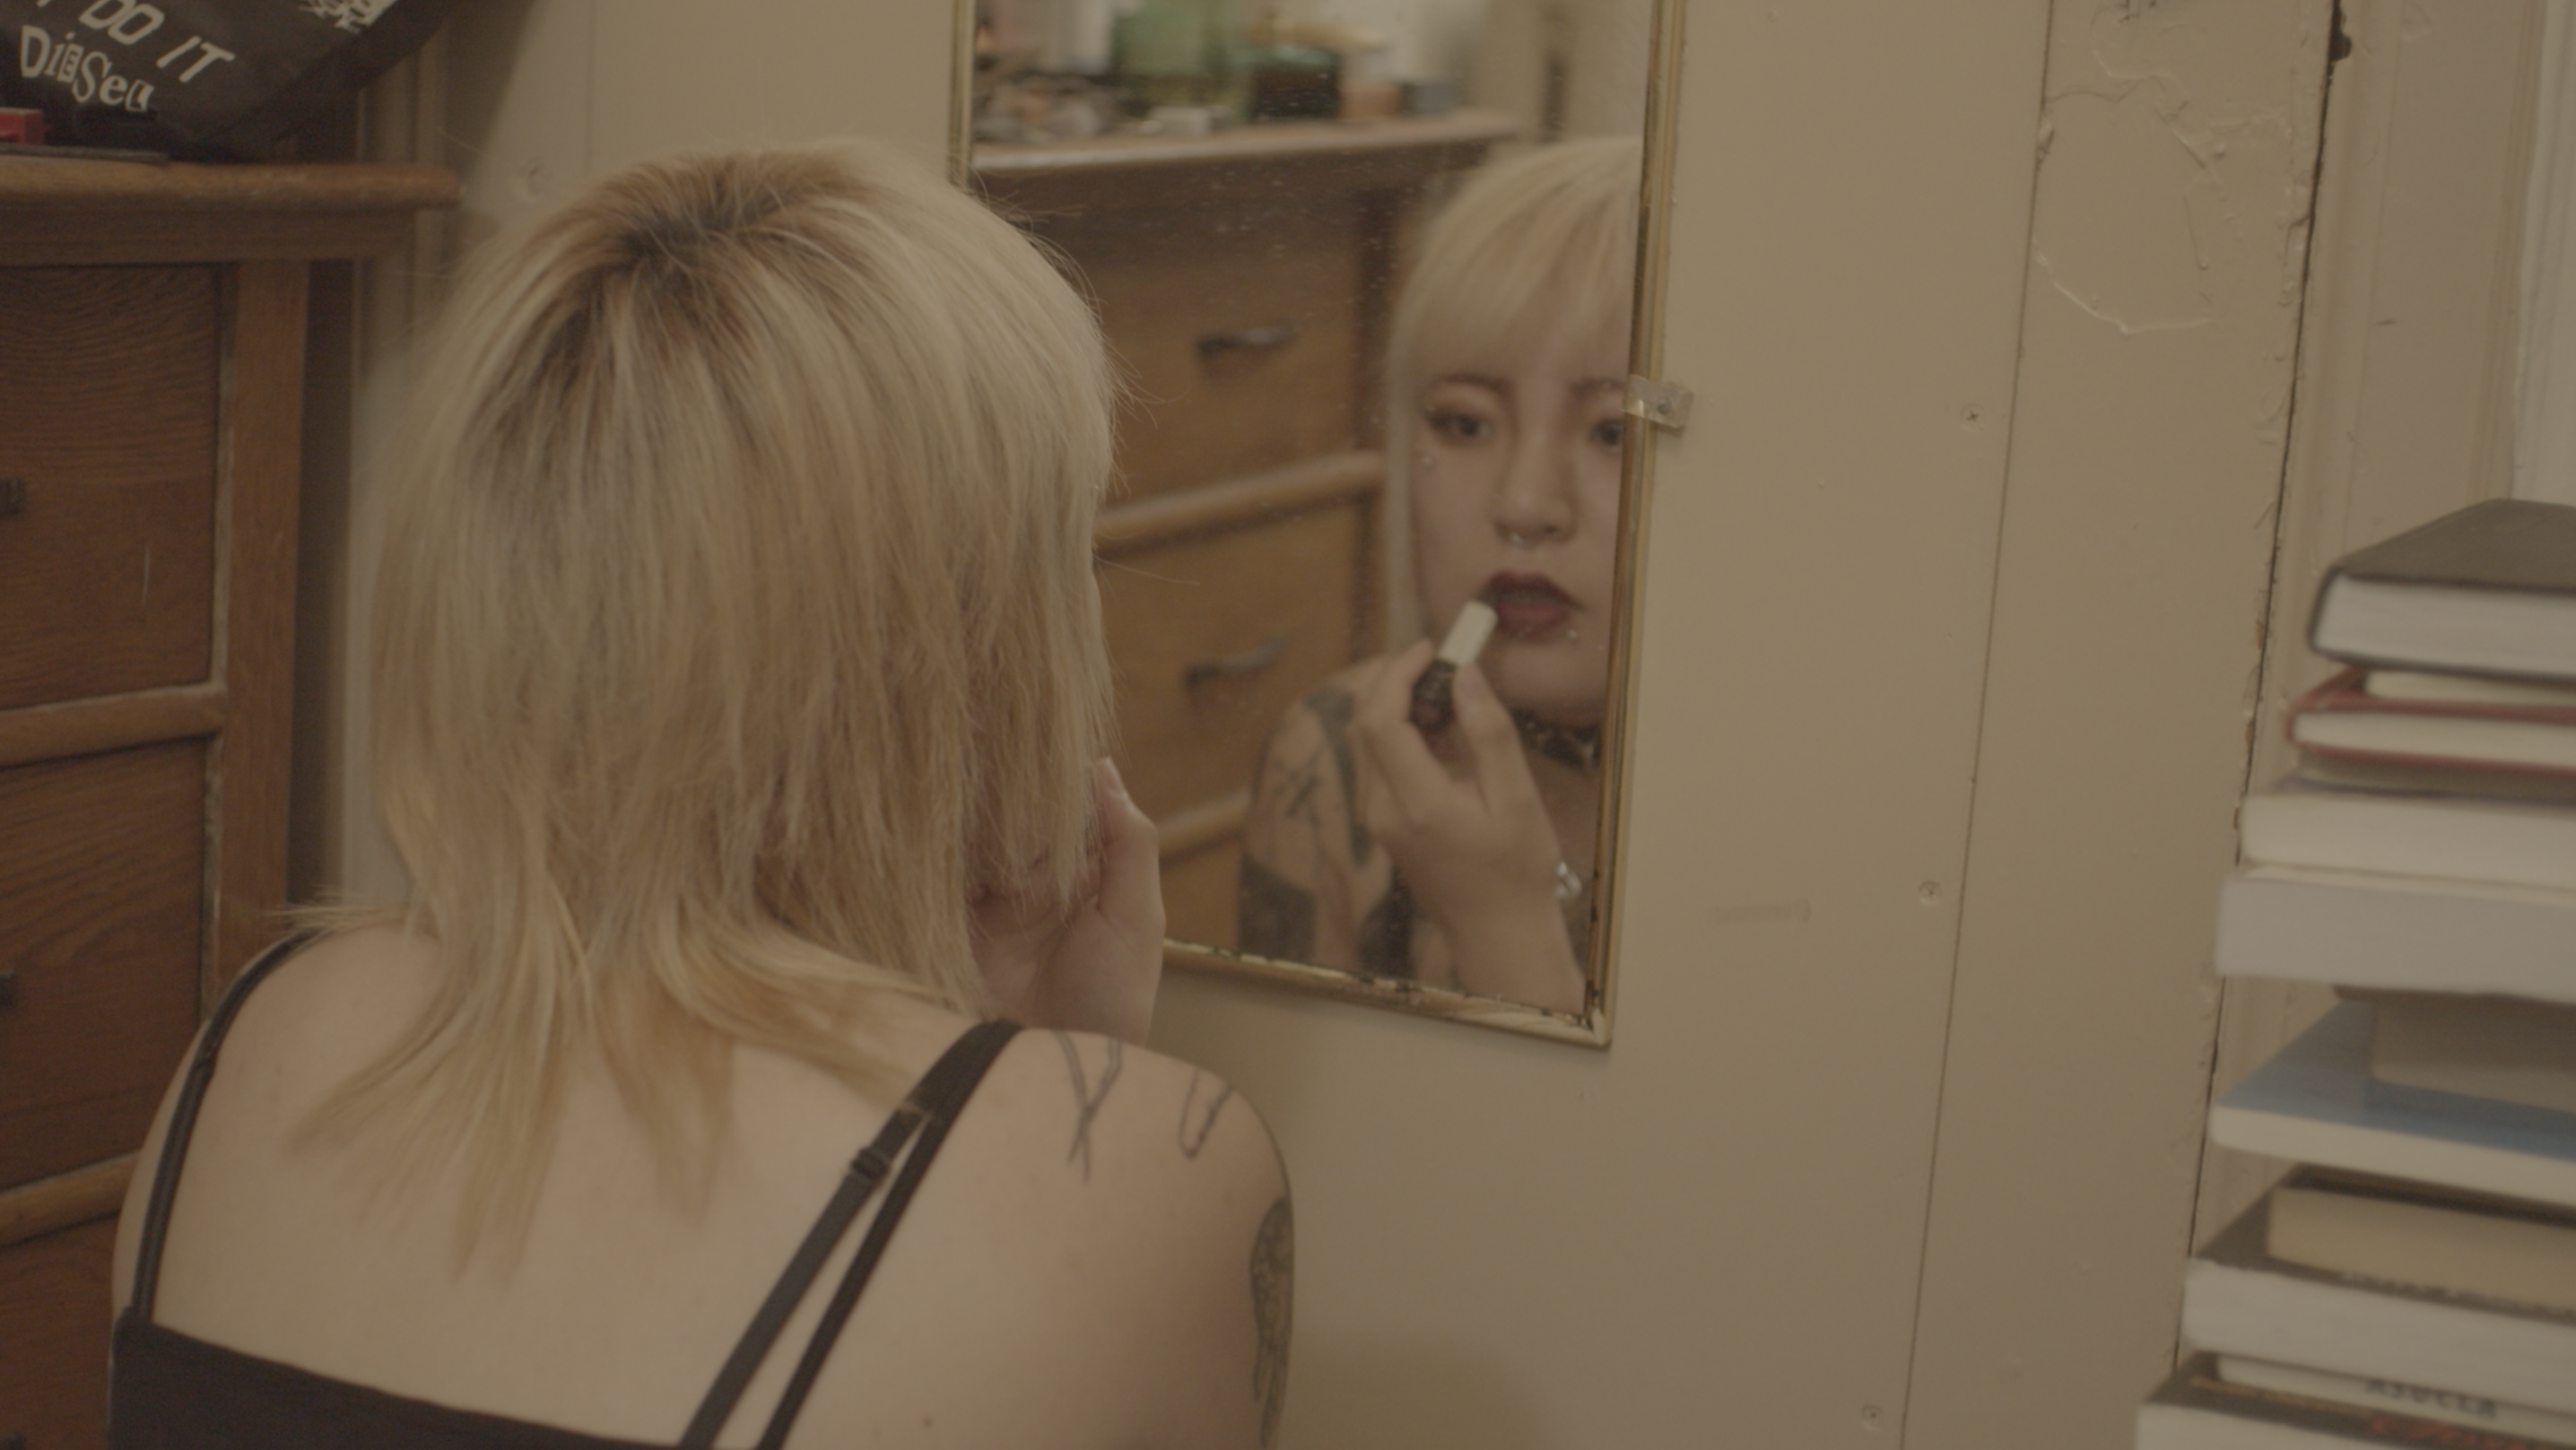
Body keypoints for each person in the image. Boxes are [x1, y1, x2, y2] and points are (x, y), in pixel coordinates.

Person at [109, 141, 1291, 1449]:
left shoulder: (261, 1033)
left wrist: (1008, 1065)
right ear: (965, 642)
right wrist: (1073, 1091)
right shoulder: (1157, 1173)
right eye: (1069, 550)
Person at [1236, 137, 1640, 1015]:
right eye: (1465, 423)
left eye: (1613, 432)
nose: (1525, 504)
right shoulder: (1337, 760)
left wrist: (1504, 929)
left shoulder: (1809, 815)